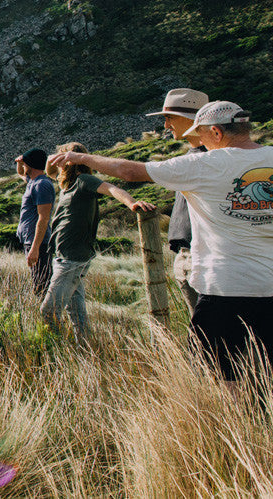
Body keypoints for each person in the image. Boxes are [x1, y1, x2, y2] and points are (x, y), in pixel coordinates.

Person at [47, 102, 273, 382]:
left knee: (223, 378)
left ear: (215, 131)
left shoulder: (205, 164)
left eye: (200, 135)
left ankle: (240, 426)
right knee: (264, 375)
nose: (199, 142)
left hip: (225, 287)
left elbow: (131, 172)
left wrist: (84, 159)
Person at [41, 142, 156, 339]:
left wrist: (131, 203)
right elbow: (49, 170)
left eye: (63, 158)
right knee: (77, 315)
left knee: (48, 311)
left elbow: (111, 189)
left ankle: (59, 351)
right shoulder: (66, 184)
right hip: (62, 256)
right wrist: (56, 157)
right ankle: (85, 351)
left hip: (72, 259)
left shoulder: (84, 181)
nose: (59, 163)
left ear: (72, 161)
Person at [145, 88, 209, 312]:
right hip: (186, 256)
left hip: (200, 257)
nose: (165, 126)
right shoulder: (194, 158)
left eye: (169, 118)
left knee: (208, 334)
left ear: (190, 120)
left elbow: (134, 172)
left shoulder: (208, 160)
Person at [15, 148, 55, 296]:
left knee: (42, 283)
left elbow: (43, 218)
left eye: (25, 163)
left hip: (38, 242)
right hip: (30, 239)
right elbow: (20, 173)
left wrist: (35, 248)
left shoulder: (42, 185)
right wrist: (20, 163)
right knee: (37, 280)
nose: (23, 166)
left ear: (30, 165)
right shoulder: (33, 181)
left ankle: (48, 316)